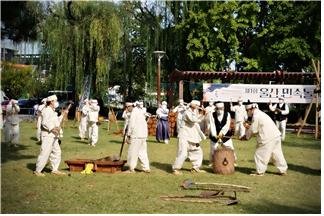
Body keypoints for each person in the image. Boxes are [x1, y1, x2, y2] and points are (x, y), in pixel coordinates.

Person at [244, 101, 288, 176]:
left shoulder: (256, 115)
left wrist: (246, 136)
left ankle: (260, 172)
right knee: (277, 154)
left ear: (250, 110)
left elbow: (254, 130)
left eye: (247, 111)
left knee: (259, 154)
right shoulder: (259, 113)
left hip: (268, 137)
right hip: (276, 135)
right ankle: (283, 170)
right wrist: (249, 129)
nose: (247, 113)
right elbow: (255, 127)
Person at [34, 95, 68, 176]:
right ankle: (38, 171)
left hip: (54, 135)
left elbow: (56, 122)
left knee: (57, 152)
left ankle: (55, 169)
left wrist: (62, 115)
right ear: (51, 102)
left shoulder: (53, 111)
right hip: (48, 135)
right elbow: (44, 122)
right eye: (55, 101)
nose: (57, 102)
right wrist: (53, 129)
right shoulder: (47, 110)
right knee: (45, 152)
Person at [172, 100, 206, 175]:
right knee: (183, 153)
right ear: (192, 105)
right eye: (196, 105)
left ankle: (195, 168)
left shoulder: (194, 112)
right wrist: (202, 113)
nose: (198, 106)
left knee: (197, 151)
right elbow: (193, 120)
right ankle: (176, 169)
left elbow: (197, 119)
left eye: (198, 105)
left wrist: (203, 114)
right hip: (184, 135)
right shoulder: (187, 112)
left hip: (192, 136)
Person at [123, 101, 151, 174]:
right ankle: (146, 168)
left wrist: (128, 135)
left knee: (132, 152)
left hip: (136, 135)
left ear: (130, 106)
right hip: (143, 135)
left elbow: (131, 124)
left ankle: (131, 169)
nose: (126, 109)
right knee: (142, 152)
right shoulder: (141, 111)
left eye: (127, 107)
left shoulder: (134, 112)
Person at [207, 101, 236, 166]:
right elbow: (212, 125)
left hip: (225, 134)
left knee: (230, 147)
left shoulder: (227, 114)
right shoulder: (212, 114)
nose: (219, 110)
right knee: (213, 148)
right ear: (215, 108)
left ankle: (233, 160)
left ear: (223, 108)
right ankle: (212, 161)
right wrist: (214, 134)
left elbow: (227, 125)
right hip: (215, 134)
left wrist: (222, 133)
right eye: (218, 109)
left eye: (221, 108)